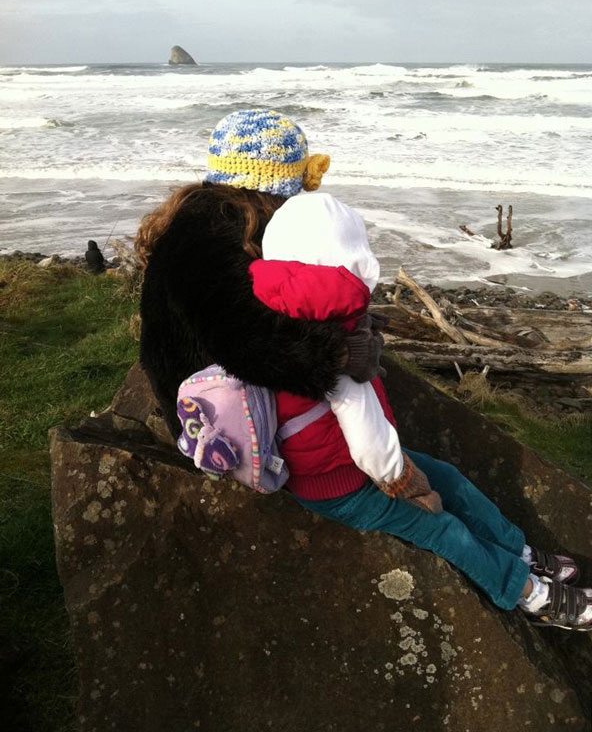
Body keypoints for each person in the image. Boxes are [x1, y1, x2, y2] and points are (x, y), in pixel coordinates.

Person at [137, 108, 591, 631]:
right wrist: (340, 356)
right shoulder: (206, 238)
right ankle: (528, 594)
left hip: (271, 413)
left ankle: (521, 555)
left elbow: (280, 308)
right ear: (270, 184)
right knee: (435, 520)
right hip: (240, 432)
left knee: (443, 477)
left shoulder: (223, 218)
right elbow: (249, 340)